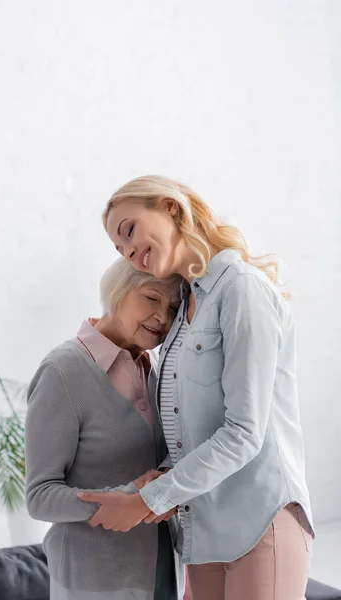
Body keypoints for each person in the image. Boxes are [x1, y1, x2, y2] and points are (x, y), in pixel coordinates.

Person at [78, 175, 315, 600]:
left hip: (259, 521)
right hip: (201, 532)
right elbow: (195, 427)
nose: (129, 252)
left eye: (129, 230)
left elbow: (243, 433)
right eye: (120, 249)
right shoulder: (183, 311)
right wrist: (166, 471)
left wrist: (147, 500)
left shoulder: (241, 289)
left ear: (170, 207)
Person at [25, 256, 186, 600]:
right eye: (152, 298)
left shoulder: (154, 366)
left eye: (174, 308)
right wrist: (131, 498)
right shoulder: (63, 370)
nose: (162, 317)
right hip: (93, 579)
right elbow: (39, 497)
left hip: (162, 569)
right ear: (118, 290)